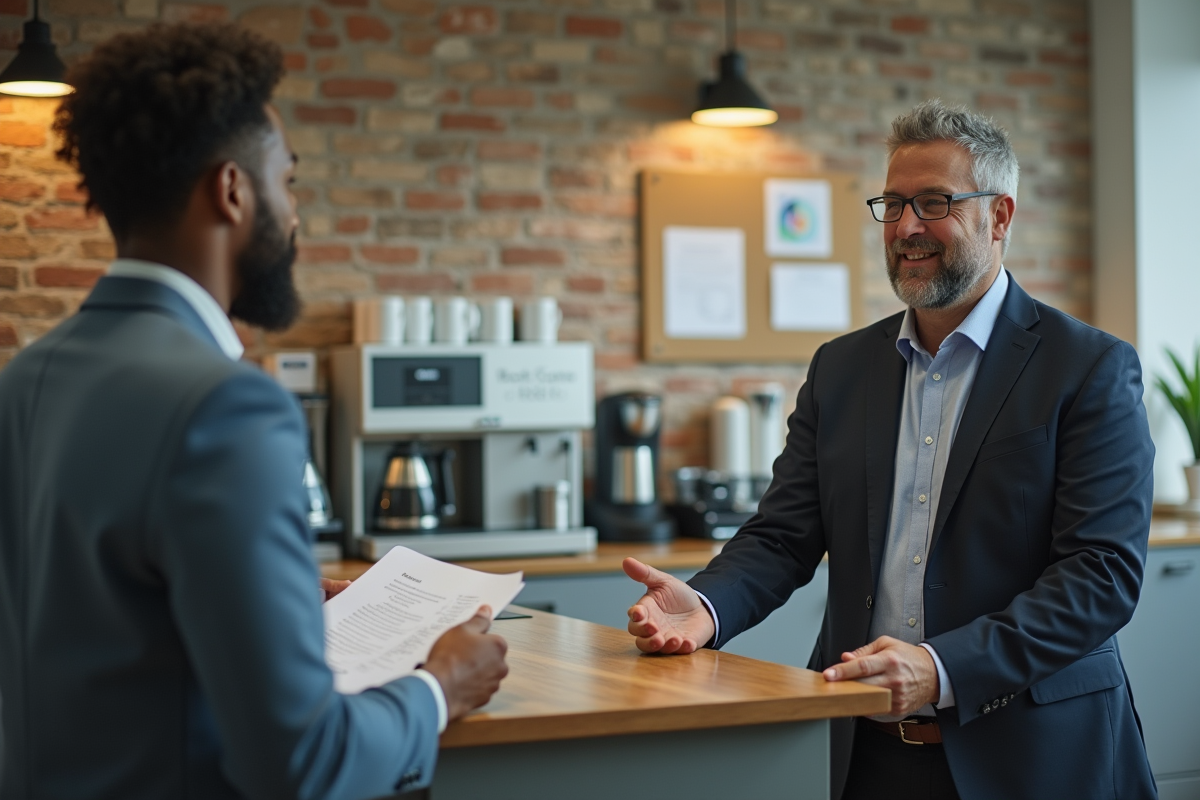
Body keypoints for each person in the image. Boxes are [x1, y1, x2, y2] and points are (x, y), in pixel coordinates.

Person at [0, 22, 507, 799]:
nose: (295, 214)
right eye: (289, 181)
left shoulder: (28, 376)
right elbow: (302, 760)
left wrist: (265, 596)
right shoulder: (229, 405)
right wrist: (441, 685)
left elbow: (90, 616)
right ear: (234, 190)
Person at [623, 100, 1157, 800]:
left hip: (1035, 755)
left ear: (999, 217)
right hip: (863, 751)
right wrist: (708, 607)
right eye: (894, 203)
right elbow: (783, 536)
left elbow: (1101, 575)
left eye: (934, 202)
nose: (907, 227)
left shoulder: (1087, 366)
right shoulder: (841, 369)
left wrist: (942, 667)